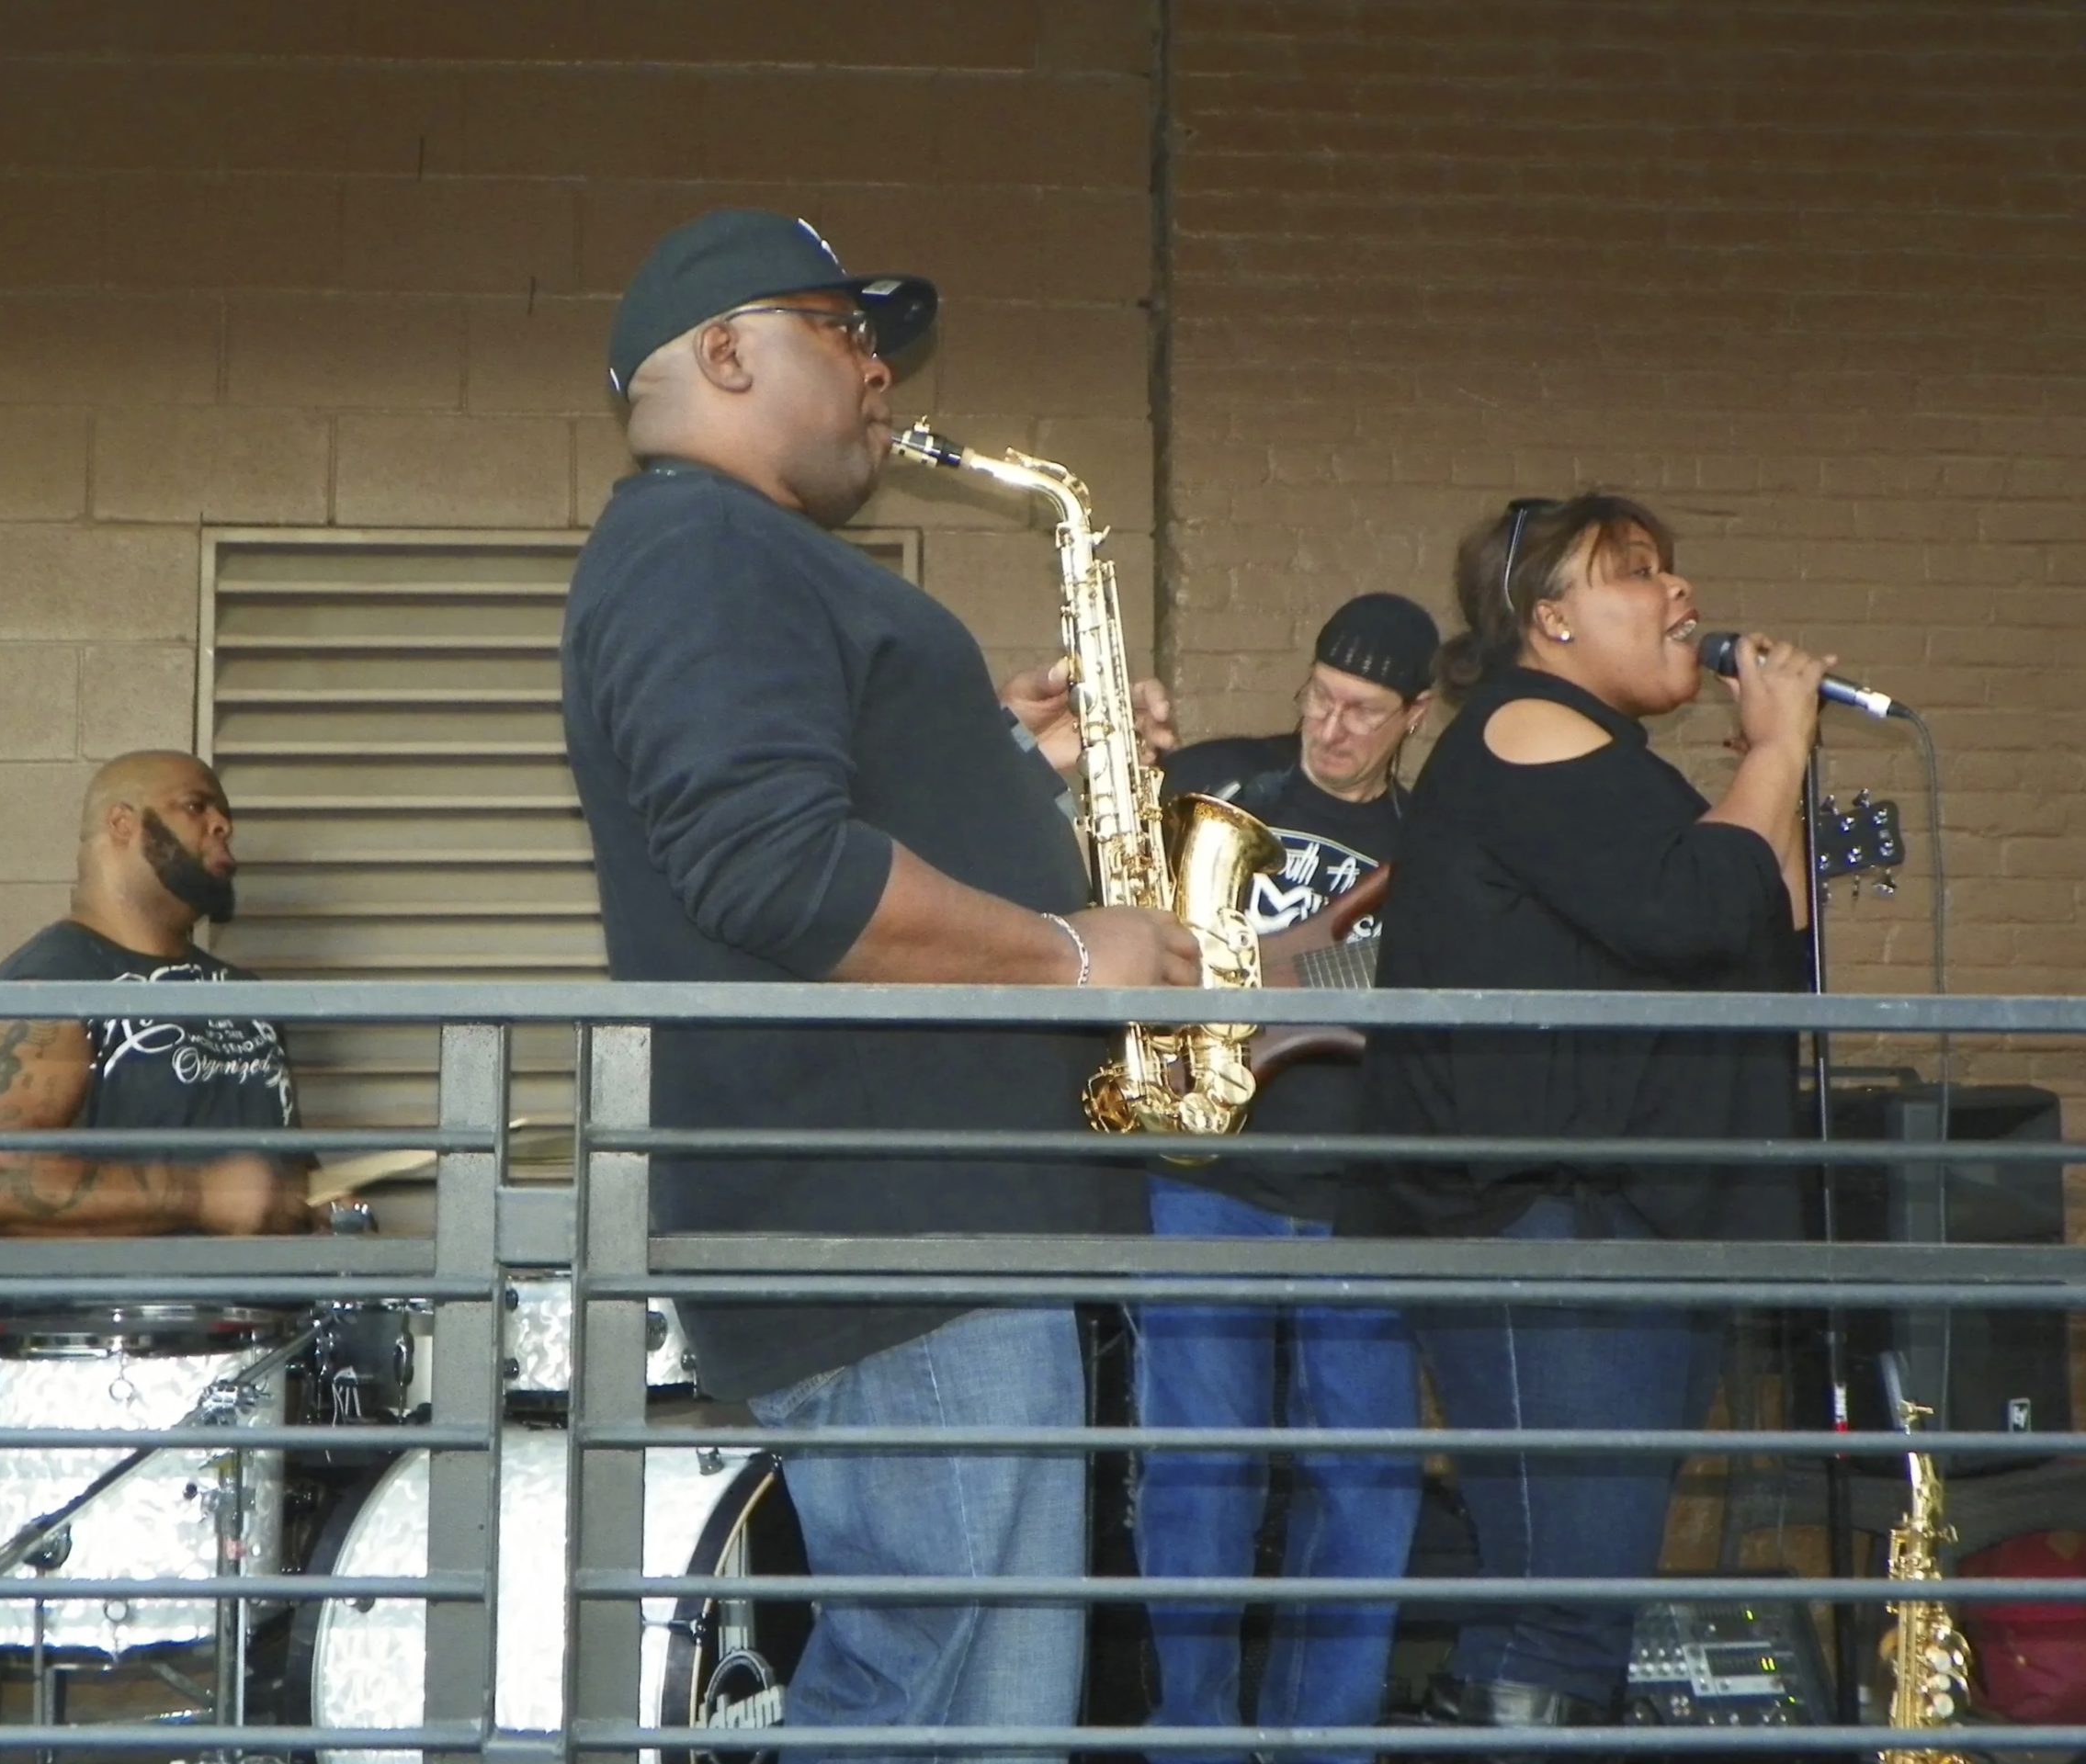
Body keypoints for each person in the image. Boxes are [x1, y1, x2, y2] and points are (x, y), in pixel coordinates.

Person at [561, 208, 1199, 1761]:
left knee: (971, 1706)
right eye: (844, 332)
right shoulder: (704, 544)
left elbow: (799, 829)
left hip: (924, 1231)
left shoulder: (733, 556)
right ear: (726, 353)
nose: (880, 372)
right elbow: (773, 868)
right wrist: (1073, 952)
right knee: (932, 1698)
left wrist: (1005, 768)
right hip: (896, 1234)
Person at [1360, 494, 1823, 1750]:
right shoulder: (1526, 724)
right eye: (1635, 573)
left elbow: (1754, 922)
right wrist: (1773, 750)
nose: (1680, 594)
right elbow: (1693, 908)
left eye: (1674, 570)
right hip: (1552, 1230)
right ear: (1548, 618)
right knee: (1563, 1601)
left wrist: (1774, 766)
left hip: (1625, 1223)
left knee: (1580, 1600)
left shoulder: (1612, 767)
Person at [1129, 593, 1436, 1764]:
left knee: (1366, 1486)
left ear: (1416, 714)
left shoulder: (1434, 841)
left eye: (1363, 712)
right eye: (1318, 697)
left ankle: (1323, 1743)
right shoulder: (1219, 780)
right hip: (1202, 1173)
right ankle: (1192, 1739)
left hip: (1358, 1195)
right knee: (1198, 1476)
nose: (1330, 727)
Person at [0, 749, 312, 1236]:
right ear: (122, 824)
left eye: (224, 814)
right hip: (82, 1290)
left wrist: (316, 1204)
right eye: (195, 806)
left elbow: (276, 1176)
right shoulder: (51, 984)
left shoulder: (245, 996)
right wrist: (201, 1195)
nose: (223, 825)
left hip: (228, 1286)